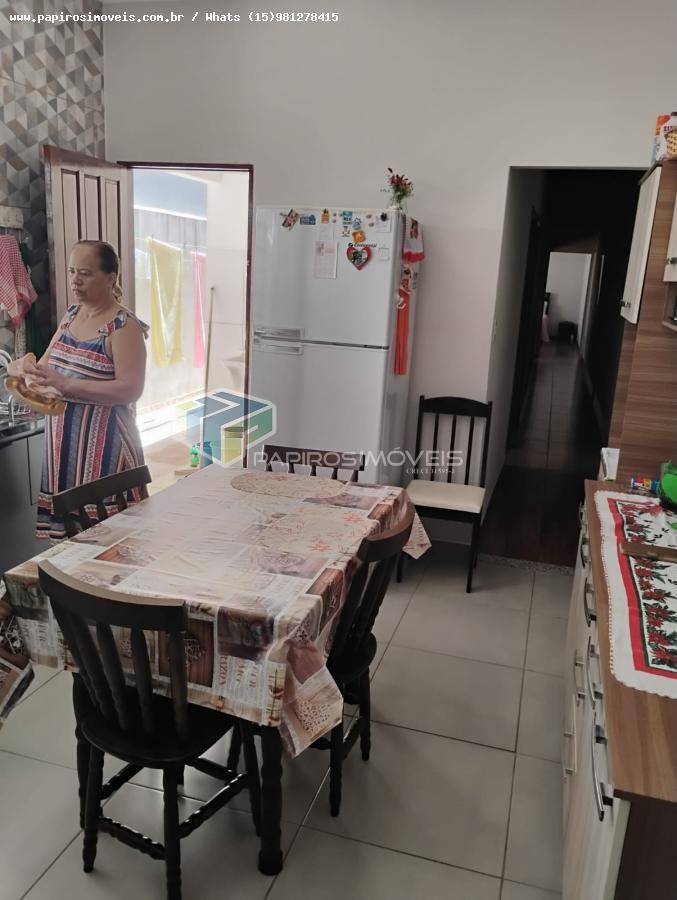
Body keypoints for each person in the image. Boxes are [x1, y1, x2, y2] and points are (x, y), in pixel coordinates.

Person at [8, 240, 149, 540]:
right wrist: (24, 370)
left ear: (111, 278)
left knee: (110, 544)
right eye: (72, 271)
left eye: (85, 273)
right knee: (70, 544)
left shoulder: (123, 326)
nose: (75, 280)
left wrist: (66, 384)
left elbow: (131, 389)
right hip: (64, 447)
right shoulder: (72, 314)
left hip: (105, 448)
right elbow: (46, 369)